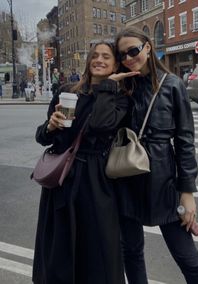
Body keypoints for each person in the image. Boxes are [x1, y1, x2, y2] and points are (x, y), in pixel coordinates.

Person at [32, 41, 138, 284]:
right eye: (95, 56)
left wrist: (109, 86)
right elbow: (42, 137)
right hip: (62, 182)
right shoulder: (68, 91)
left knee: (97, 250)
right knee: (59, 251)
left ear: (115, 65)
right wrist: (50, 126)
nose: (99, 60)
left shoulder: (120, 98)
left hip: (95, 183)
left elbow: (101, 126)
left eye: (106, 57)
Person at [114, 27, 198, 284]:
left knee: (187, 257)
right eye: (122, 54)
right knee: (131, 252)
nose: (128, 58)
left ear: (147, 47)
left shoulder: (172, 84)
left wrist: (187, 192)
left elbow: (185, 141)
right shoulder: (122, 85)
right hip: (126, 179)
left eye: (133, 50)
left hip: (163, 181)